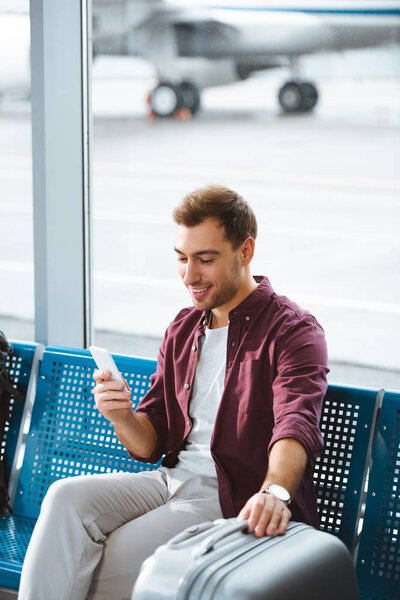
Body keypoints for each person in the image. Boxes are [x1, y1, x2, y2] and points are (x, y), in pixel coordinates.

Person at [19, 184, 328, 600]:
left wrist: (273, 492)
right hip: (168, 481)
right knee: (65, 498)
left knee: (103, 560)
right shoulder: (184, 329)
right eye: (182, 259)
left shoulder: (291, 330)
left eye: (206, 259)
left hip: (231, 495)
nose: (190, 276)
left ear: (246, 250)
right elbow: (151, 442)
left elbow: (295, 423)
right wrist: (122, 416)